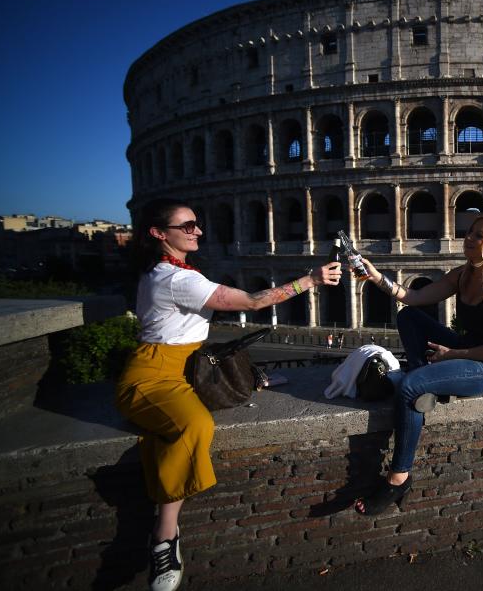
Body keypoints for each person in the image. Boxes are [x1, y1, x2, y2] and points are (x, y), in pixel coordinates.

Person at [116, 198, 341, 591]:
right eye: (186, 226)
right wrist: (312, 280)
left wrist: (245, 377)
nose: (197, 231)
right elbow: (253, 302)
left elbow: (184, 338)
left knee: (221, 400)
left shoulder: (166, 271)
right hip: (151, 379)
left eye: (196, 225)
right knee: (194, 425)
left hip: (182, 370)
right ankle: (165, 537)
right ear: (158, 233)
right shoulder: (177, 279)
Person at [351, 213, 483, 515]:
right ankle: (427, 379)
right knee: (408, 315)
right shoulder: (463, 274)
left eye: (478, 235)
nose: (468, 238)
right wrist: (376, 276)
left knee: (409, 388)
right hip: (463, 349)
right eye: (470, 232)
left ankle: (398, 478)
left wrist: (452, 355)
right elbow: (414, 296)